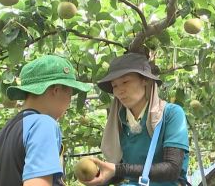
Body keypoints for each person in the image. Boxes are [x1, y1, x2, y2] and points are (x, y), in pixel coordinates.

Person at [80, 53, 189, 186]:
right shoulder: (120, 122)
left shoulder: (171, 114)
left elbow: (172, 169)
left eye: (125, 82)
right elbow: (121, 172)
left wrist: (116, 169)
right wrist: (99, 177)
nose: (119, 90)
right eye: (115, 86)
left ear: (145, 80)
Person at [0, 55, 91, 186]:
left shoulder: (5, 133)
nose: (69, 102)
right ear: (56, 90)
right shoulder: (43, 124)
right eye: (70, 94)